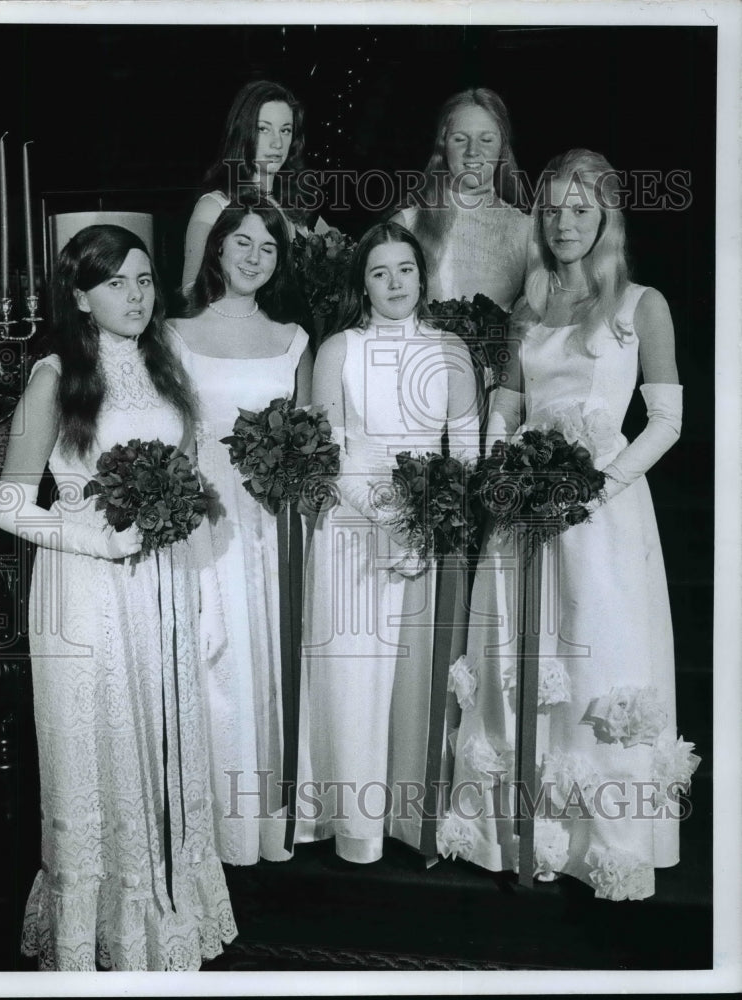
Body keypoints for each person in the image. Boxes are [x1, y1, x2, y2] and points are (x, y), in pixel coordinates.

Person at [440, 150, 700, 899]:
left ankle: (601, 842)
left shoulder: (640, 304)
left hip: (601, 514)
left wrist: (594, 487)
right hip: (522, 508)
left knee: (595, 657)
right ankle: (514, 830)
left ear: (605, 218)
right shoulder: (525, 307)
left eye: (579, 209)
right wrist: (495, 465)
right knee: (516, 653)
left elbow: (667, 421)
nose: (562, 222)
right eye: (551, 208)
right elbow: (508, 408)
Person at [0, 225, 237, 969]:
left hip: (157, 585)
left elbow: (188, 484)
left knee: (162, 749)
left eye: (143, 281)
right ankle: (101, 931)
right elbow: (8, 504)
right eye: (115, 284)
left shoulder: (167, 367)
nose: (134, 297)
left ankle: (167, 910)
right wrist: (96, 537)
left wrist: (199, 587)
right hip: (84, 590)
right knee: (98, 754)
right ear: (79, 296)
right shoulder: (54, 376)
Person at [295, 221, 480, 863]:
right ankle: (356, 826)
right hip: (353, 531)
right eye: (379, 272)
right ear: (362, 284)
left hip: (431, 532)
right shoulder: (339, 348)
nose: (395, 282)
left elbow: (469, 452)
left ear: (422, 278)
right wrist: (386, 517)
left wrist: (428, 521)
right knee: (354, 672)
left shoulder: (452, 349)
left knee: (416, 680)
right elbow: (329, 450)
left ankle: (411, 818)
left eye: (405, 269)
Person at [168, 193, 312, 865]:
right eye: (243, 243)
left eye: (269, 246)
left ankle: (271, 821)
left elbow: (313, 440)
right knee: (216, 659)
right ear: (217, 249)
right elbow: (169, 436)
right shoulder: (174, 334)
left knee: (272, 655)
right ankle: (214, 823)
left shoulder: (294, 340)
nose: (255, 257)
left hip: (273, 520)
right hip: (206, 516)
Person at [391, 87, 531, 312]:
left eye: (486, 139)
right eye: (460, 139)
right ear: (443, 145)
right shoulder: (405, 225)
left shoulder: (527, 230)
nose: (472, 151)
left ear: (502, 147)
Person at [182, 79, 325, 293]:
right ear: (243, 132)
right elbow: (191, 292)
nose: (277, 143)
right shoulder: (214, 208)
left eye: (285, 130)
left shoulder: (292, 210)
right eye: (263, 129)